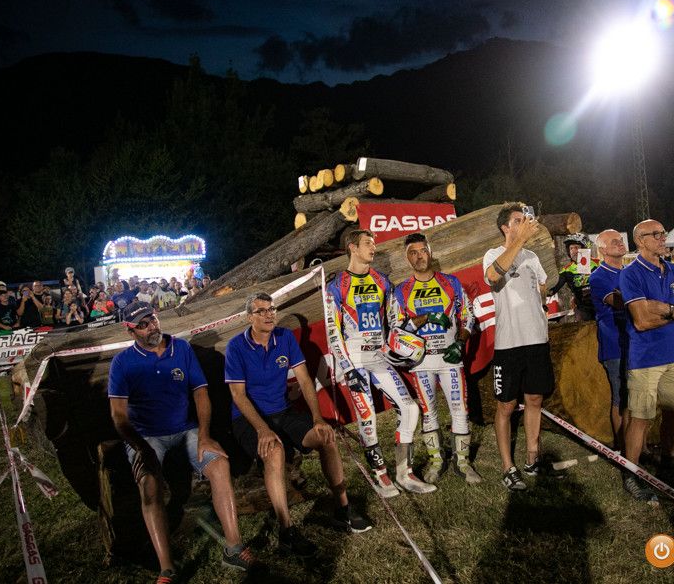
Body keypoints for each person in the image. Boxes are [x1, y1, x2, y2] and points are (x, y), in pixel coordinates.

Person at [108, 302, 254, 582]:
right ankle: (167, 568)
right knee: (149, 484)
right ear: (131, 332)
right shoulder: (122, 363)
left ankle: (234, 548)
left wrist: (204, 435)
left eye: (152, 319)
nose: (151, 327)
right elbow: (118, 416)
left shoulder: (181, 348)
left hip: (185, 429)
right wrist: (141, 448)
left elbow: (200, 392)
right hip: (146, 436)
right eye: (142, 325)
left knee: (220, 465)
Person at [226, 293, 371, 556]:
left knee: (326, 436)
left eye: (272, 309)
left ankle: (342, 508)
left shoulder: (285, 337)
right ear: (249, 318)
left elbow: (304, 380)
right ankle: (286, 530)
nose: (269, 315)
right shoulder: (236, 346)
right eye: (261, 311)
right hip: (248, 419)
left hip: (283, 411)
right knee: (274, 451)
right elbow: (238, 395)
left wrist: (317, 418)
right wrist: (262, 429)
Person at [326, 229, 434, 496]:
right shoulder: (337, 284)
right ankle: (380, 475)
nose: (373, 248)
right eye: (367, 244)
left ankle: (404, 473)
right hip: (354, 358)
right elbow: (332, 330)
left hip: (379, 356)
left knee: (410, 408)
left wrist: (406, 338)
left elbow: (395, 321)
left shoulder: (382, 281)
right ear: (352, 248)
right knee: (368, 417)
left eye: (374, 244)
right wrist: (347, 367)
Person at [619, 220, 674, 501]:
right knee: (641, 417)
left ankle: (668, 465)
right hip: (646, 358)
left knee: (673, 414)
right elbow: (641, 321)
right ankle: (631, 474)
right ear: (640, 240)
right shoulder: (631, 274)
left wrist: (665, 308)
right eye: (656, 234)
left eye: (663, 233)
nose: (663, 238)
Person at [394, 233, 482, 484]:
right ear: (407, 258)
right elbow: (397, 328)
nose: (419, 256)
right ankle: (436, 461)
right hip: (421, 363)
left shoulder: (450, 283)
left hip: (450, 359)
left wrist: (460, 343)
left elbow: (468, 315)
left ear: (430, 252)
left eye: (423, 251)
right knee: (428, 412)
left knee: (460, 409)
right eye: (413, 253)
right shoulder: (401, 291)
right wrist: (428, 317)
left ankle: (463, 463)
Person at [483, 203, 558, 491]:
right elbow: (493, 277)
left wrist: (541, 303)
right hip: (509, 344)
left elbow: (542, 285)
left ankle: (531, 457)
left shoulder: (532, 256)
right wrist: (520, 240)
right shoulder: (493, 254)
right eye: (518, 220)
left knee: (535, 399)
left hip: (537, 340)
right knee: (506, 404)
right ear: (505, 227)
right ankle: (507, 466)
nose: (525, 222)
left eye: (524, 219)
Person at [589, 229, 629, 450]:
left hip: (636, 342)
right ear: (602, 250)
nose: (620, 243)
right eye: (614, 242)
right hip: (615, 344)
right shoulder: (598, 276)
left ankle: (638, 445)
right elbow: (619, 302)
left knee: (637, 397)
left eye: (621, 240)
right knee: (621, 397)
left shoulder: (629, 272)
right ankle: (623, 447)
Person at [549, 233, 599, 321]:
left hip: (601, 305)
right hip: (582, 309)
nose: (573, 251)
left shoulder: (598, 263)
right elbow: (553, 289)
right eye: (571, 248)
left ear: (584, 249)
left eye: (576, 247)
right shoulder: (567, 270)